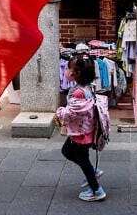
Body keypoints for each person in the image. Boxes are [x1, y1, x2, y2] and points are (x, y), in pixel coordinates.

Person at [55, 55, 106, 202]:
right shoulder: (86, 88)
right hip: (83, 130)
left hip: (80, 133)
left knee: (83, 161)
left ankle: (96, 190)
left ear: (75, 74)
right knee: (67, 151)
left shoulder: (78, 93)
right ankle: (92, 172)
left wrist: (59, 112)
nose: (67, 70)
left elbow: (72, 113)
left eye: (69, 68)